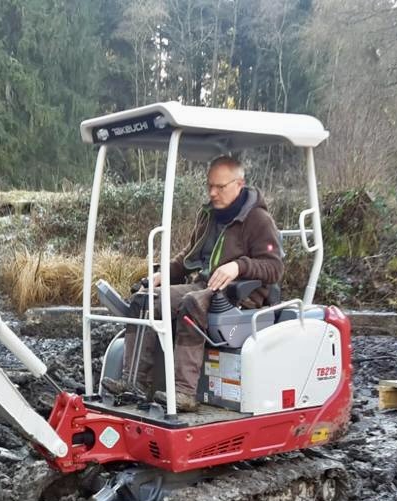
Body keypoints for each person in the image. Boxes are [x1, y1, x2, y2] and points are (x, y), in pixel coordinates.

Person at [103, 156, 284, 413]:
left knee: (193, 303)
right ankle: (135, 383)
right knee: (147, 298)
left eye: (220, 187)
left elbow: (274, 267)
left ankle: (184, 393)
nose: (212, 192)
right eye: (210, 185)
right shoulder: (209, 215)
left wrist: (239, 266)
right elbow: (190, 255)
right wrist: (163, 274)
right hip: (205, 285)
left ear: (239, 184)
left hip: (240, 295)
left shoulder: (258, 220)